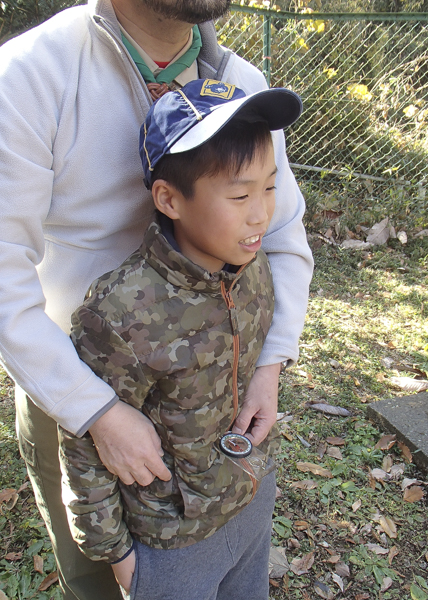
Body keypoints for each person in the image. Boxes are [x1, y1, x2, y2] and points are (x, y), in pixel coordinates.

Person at [0, 0, 313, 598]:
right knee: (104, 582)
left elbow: (284, 236)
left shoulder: (241, 86)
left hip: (214, 383)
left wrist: (269, 362)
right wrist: (94, 409)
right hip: (69, 382)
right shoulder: (32, 76)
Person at [59, 78, 304, 600]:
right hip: (173, 543)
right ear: (169, 199)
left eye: (269, 186)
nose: (261, 212)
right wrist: (118, 555)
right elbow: (82, 444)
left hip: (249, 495)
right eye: (240, 194)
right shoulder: (119, 312)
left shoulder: (250, 262)